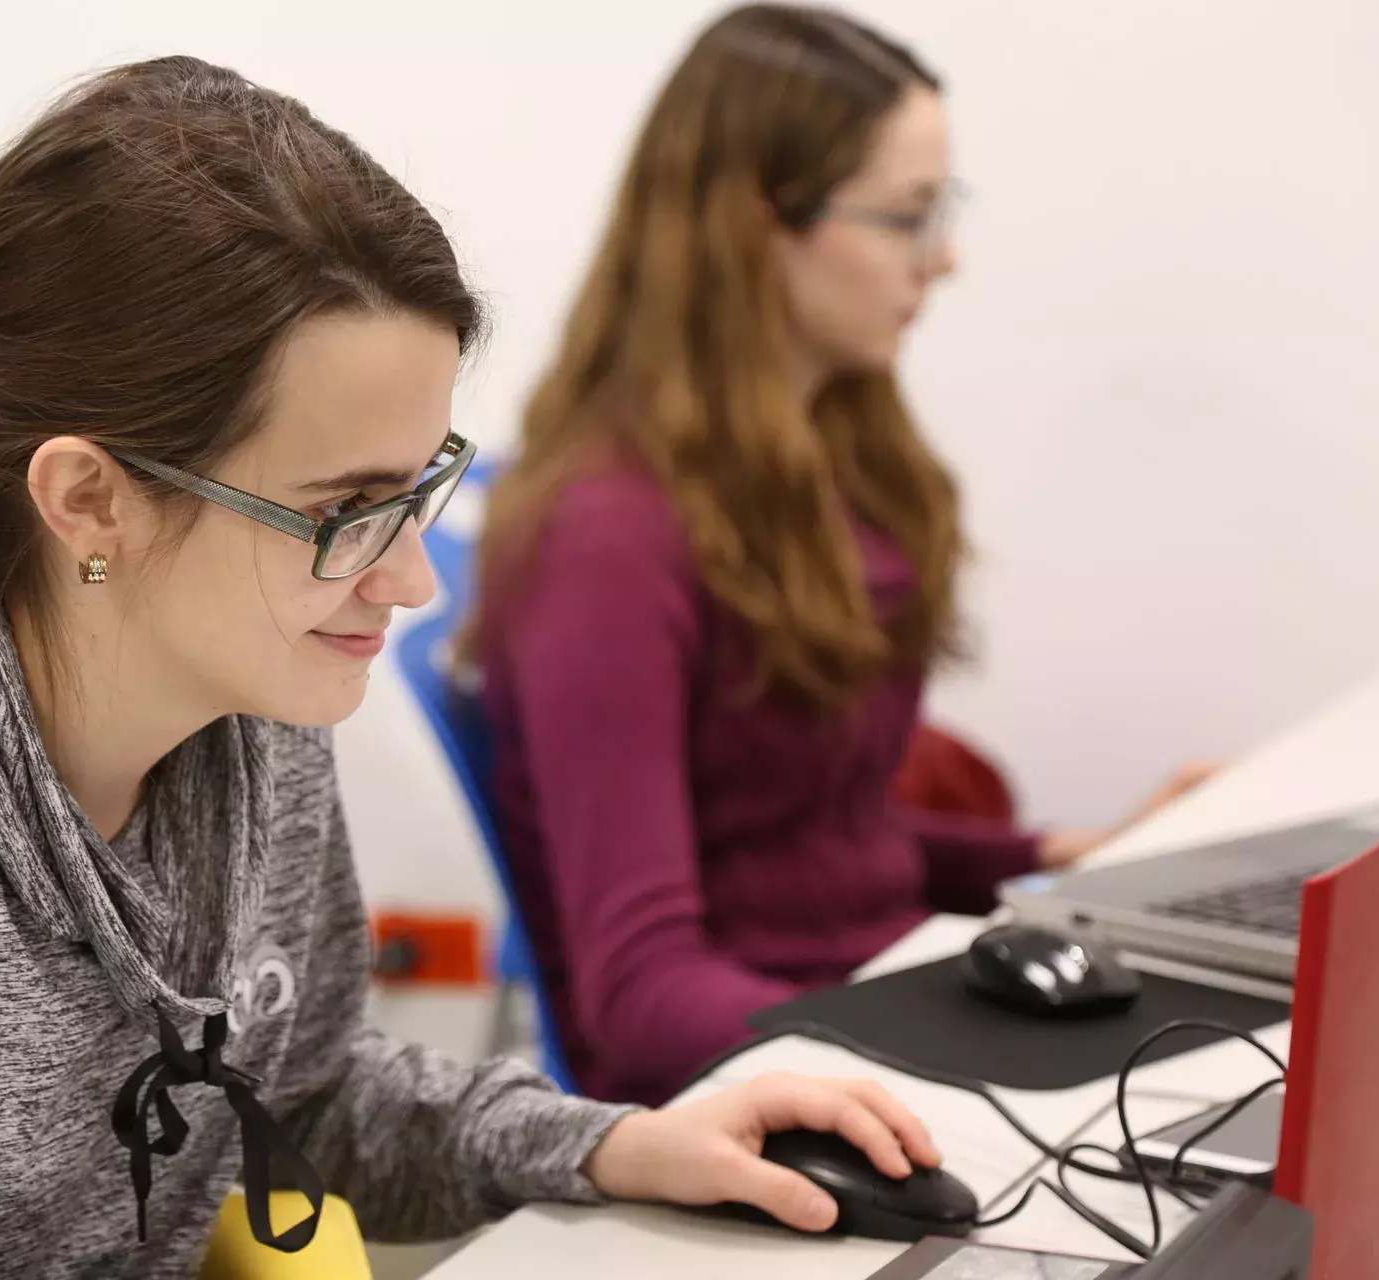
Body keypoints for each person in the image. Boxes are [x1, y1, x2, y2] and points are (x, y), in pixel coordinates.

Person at [0, 55, 956, 1278]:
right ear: (89, 499)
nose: (404, 580)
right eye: (342, 514)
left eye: (419, 489)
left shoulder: (253, 727)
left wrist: (623, 1145)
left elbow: (314, 1092)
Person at [469, 5, 1210, 1108]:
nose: (944, 258)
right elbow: (639, 992)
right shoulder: (605, 537)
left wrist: (1072, 848)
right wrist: (945, 1050)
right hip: (755, 1081)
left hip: (866, 1003)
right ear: (755, 228)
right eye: (909, 215)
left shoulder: (834, 459)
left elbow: (802, 831)